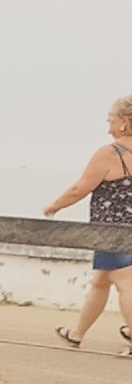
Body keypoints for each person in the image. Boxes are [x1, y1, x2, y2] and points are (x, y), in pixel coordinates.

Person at [45, 95, 132, 353]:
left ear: (124, 122)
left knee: (124, 281)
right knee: (101, 281)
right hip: (128, 228)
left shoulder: (110, 152)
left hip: (110, 230)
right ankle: (77, 334)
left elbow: (80, 188)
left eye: (111, 116)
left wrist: (54, 206)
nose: (107, 119)